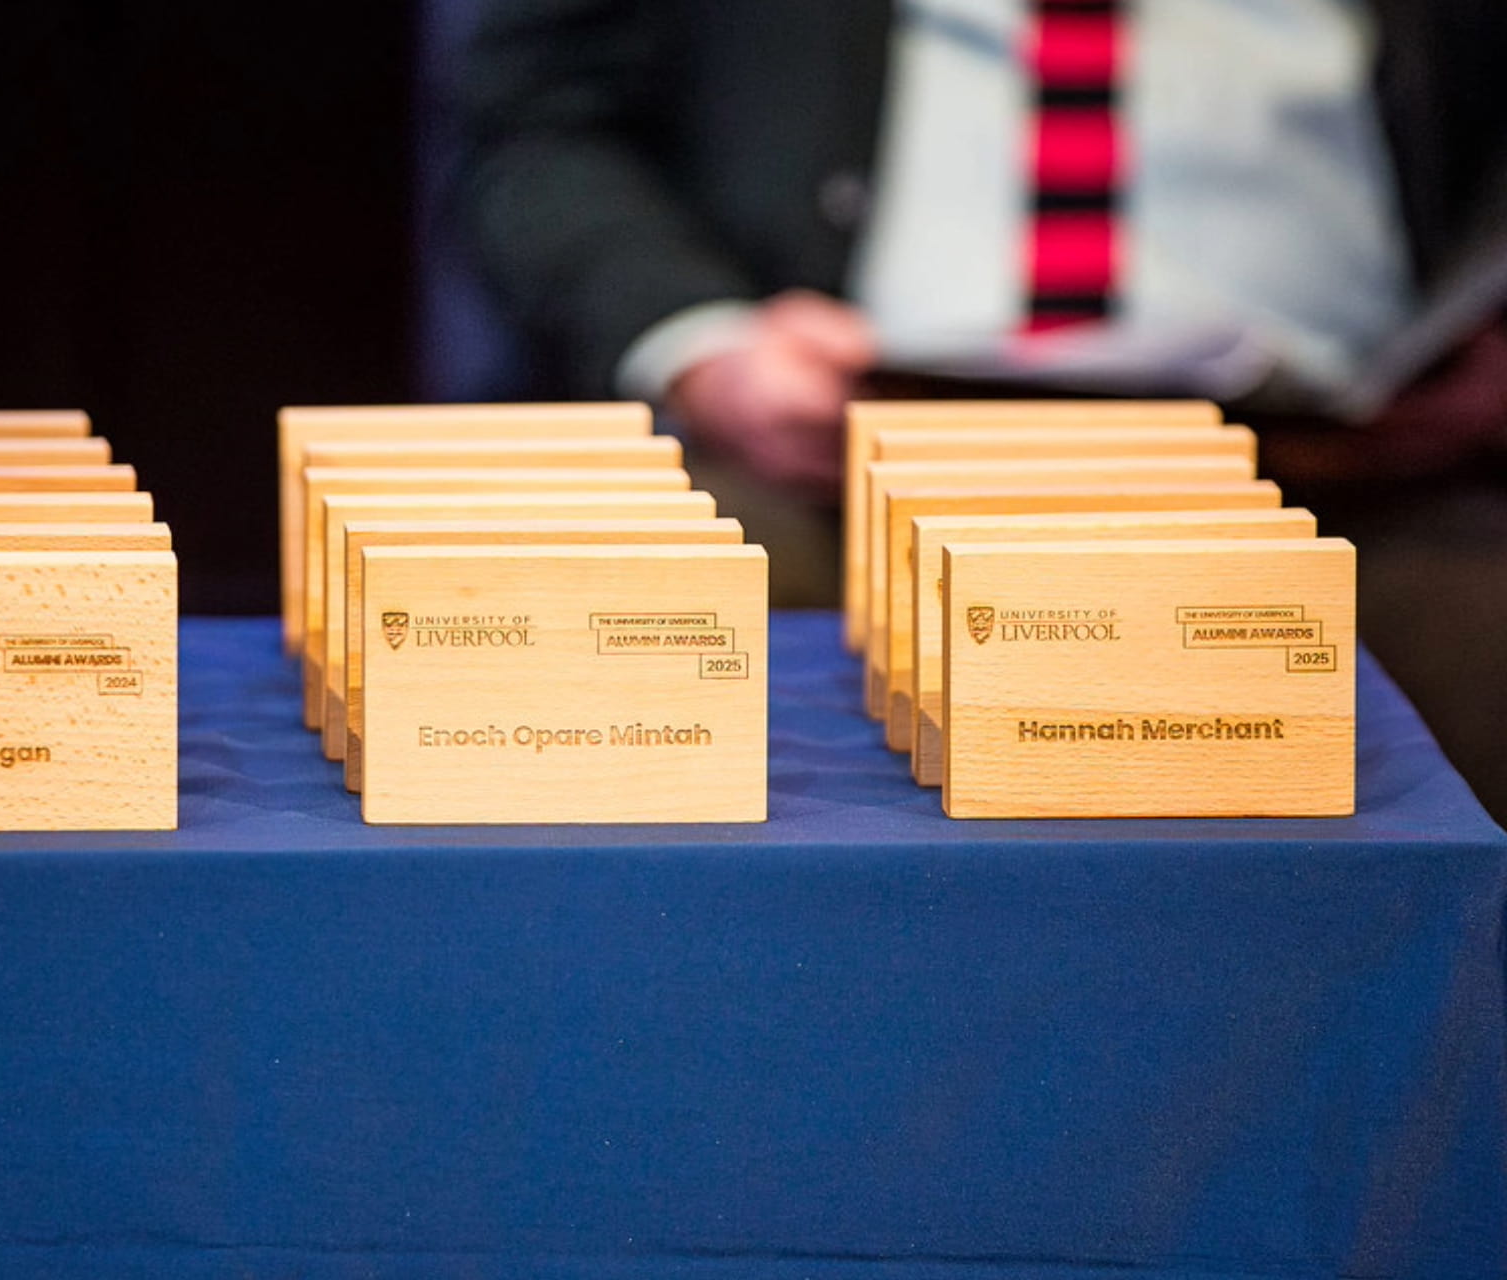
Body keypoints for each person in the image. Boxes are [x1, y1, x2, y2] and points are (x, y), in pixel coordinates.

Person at [451, 0, 1507, 818]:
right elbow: (538, 121)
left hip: (1359, 466)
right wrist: (708, 343)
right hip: (844, 450)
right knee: (668, 667)